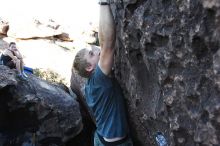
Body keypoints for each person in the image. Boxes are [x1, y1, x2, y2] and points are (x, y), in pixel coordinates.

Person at [73, 0, 133, 146]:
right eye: (92, 53)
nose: (96, 49)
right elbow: (107, 45)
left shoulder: (90, 84)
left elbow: (102, 43)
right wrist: (104, 3)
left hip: (101, 138)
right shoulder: (99, 80)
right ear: (89, 68)